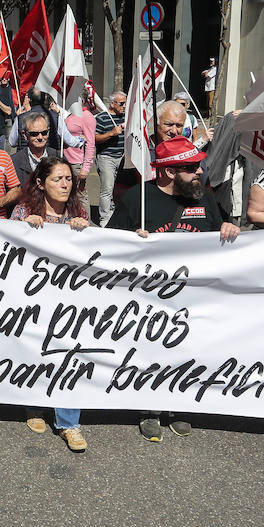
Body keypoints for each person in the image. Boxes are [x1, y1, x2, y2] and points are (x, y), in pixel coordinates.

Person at [108, 136, 240, 441]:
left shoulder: (204, 197)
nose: (200, 172)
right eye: (192, 167)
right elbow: (109, 244)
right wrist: (131, 242)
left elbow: (218, 232)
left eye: (200, 166)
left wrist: (228, 228)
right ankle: (149, 407)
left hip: (193, 297)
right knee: (152, 349)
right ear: (168, 172)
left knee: (188, 349)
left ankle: (179, 405)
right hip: (149, 297)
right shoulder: (138, 197)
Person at [11, 157, 91, 451]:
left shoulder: (79, 211)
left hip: (69, 301)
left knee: (68, 356)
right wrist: (24, 229)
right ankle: (34, 404)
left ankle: (69, 423)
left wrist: (85, 232)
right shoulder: (23, 211)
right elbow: (5, 253)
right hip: (31, 299)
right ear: (41, 184)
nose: (65, 184)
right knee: (34, 350)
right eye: (57, 179)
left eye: (68, 178)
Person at [93, 91, 127, 224]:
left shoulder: (125, 117)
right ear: (112, 104)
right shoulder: (101, 118)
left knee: (119, 188)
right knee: (107, 189)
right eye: (121, 103)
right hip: (107, 157)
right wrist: (111, 133)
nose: (124, 106)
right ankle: (105, 219)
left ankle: (117, 214)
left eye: (125, 103)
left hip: (123, 158)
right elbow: (95, 138)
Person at [11, 110, 59, 188]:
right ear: (25, 135)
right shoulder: (14, 161)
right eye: (34, 134)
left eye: (44, 133)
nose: (40, 137)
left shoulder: (57, 157)